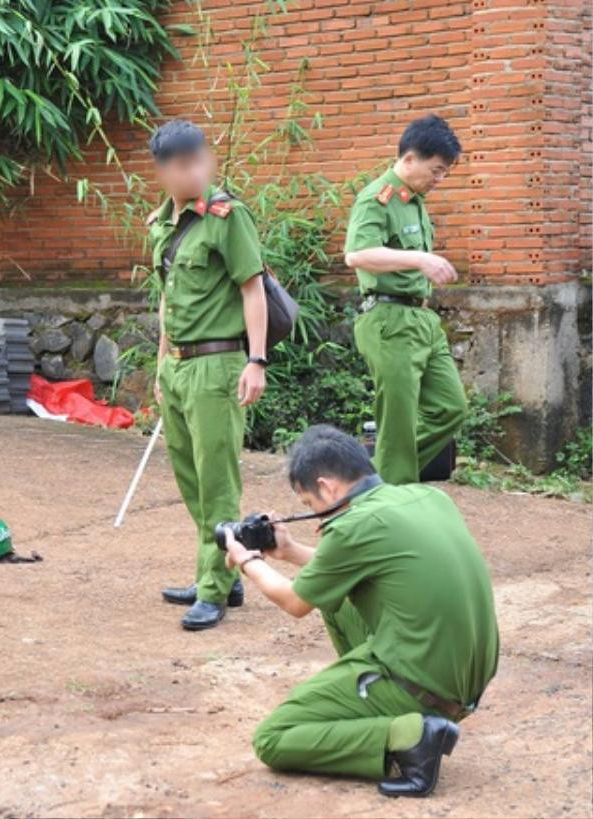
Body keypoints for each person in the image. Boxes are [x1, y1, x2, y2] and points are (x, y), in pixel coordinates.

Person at [220, 425, 499, 797]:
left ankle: (409, 734)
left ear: (329, 487)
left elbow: (293, 601)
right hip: (465, 679)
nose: (313, 512)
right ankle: (375, 699)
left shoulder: (352, 526)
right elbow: (357, 564)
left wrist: (245, 559)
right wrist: (288, 552)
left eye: (309, 504)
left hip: (427, 686)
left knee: (273, 738)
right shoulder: (424, 496)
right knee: (333, 600)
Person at [145, 119, 269, 631]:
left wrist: (256, 360)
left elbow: (252, 289)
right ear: (163, 171)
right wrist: (159, 364)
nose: (194, 171)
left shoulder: (226, 216)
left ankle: (214, 592)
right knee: (192, 481)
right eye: (181, 165)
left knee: (217, 484)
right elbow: (166, 300)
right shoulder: (161, 223)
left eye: (199, 159)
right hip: (177, 368)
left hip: (217, 366)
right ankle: (224, 570)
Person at [343, 114, 467, 485]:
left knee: (451, 408)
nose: (439, 179)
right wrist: (420, 258)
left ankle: (374, 480)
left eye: (444, 172)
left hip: (421, 320)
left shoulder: (413, 201)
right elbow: (356, 255)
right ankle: (391, 503)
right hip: (389, 320)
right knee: (397, 427)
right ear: (410, 159)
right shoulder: (376, 199)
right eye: (437, 170)